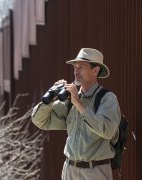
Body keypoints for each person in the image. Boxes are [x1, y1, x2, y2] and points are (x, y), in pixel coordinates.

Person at [31, 48, 121, 180]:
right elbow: (40, 121)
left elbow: (107, 130)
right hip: (69, 170)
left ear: (95, 70)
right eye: (75, 67)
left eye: (82, 67)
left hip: (95, 172)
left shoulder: (107, 99)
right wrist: (50, 100)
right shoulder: (70, 99)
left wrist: (79, 104)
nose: (76, 71)